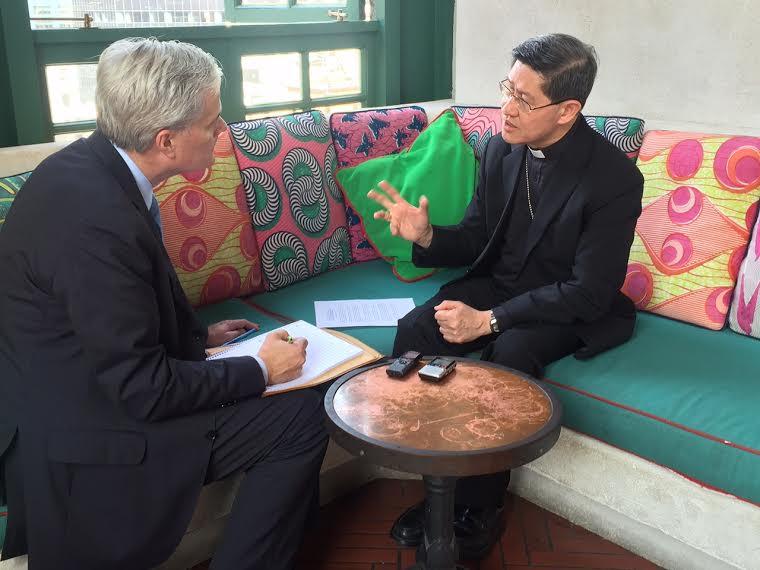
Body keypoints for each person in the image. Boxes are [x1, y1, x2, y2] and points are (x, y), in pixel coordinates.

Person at [0, 38, 328, 570]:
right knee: (297, 416)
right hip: (88, 436)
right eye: (213, 122)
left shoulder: (86, 167)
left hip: (86, 388)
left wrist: (200, 341)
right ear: (166, 140)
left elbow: (110, 321)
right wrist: (259, 368)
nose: (225, 131)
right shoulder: (95, 224)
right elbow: (143, 389)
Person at [369, 33, 644, 559]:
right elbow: (478, 237)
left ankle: (480, 505)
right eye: (506, 89)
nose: (506, 108)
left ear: (568, 110)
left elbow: (589, 290)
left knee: (509, 355)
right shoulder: (499, 148)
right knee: (416, 330)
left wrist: (490, 320)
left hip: (564, 304)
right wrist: (427, 236)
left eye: (524, 99)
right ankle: (436, 490)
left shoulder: (614, 179)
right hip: (500, 283)